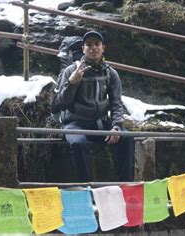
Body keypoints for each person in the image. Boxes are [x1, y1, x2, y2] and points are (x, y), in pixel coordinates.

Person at [52, 31, 134, 182]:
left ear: (103, 48)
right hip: (74, 123)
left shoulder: (111, 73)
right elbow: (60, 104)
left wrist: (116, 126)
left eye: (97, 44)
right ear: (83, 48)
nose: (93, 48)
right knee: (78, 143)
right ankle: (87, 187)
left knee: (127, 138)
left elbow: (116, 104)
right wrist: (72, 83)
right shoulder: (71, 71)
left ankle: (126, 184)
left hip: (99, 123)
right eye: (88, 45)